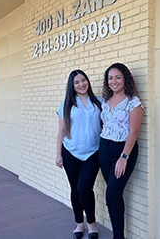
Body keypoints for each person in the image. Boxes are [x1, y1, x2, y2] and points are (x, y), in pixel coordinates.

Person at [56, 69, 103, 239]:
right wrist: (58, 154)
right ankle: (79, 224)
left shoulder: (99, 102)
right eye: (77, 82)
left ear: (87, 81)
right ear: (72, 86)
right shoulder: (66, 104)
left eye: (83, 80)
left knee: (85, 188)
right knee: (75, 189)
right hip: (70, 153)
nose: (81, 84)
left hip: (93, 153)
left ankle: (91, 223)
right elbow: (61, 130)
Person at [99, 63, 144, 239]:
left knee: (111, 196)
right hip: (104, 149)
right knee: (115, 195)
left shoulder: (133, 102)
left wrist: (124, 157)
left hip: (123, 151)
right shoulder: (106, 101)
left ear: (125, 78)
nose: (113, 81)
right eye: (110, 78)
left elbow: (133, 131)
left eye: (118, 77)